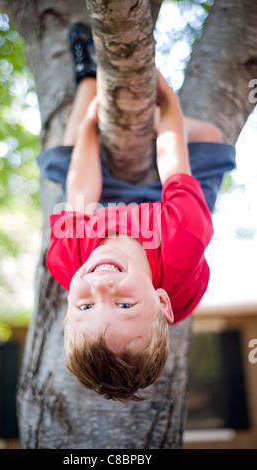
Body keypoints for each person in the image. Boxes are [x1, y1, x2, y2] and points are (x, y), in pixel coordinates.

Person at [37, 23, 236, 401]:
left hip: (102, 201)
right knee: (208, 136)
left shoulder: (66, 258)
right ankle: (143, 118)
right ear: (161, 301)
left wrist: (92, 126)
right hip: (167, 204)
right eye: (124, 304)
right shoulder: (183, 243)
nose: (101, 286)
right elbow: (175, 164)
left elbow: (79, 190)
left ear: (67, 309)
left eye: (86, 304)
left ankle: (88, 80)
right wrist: (163, 104)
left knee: (68, 147)